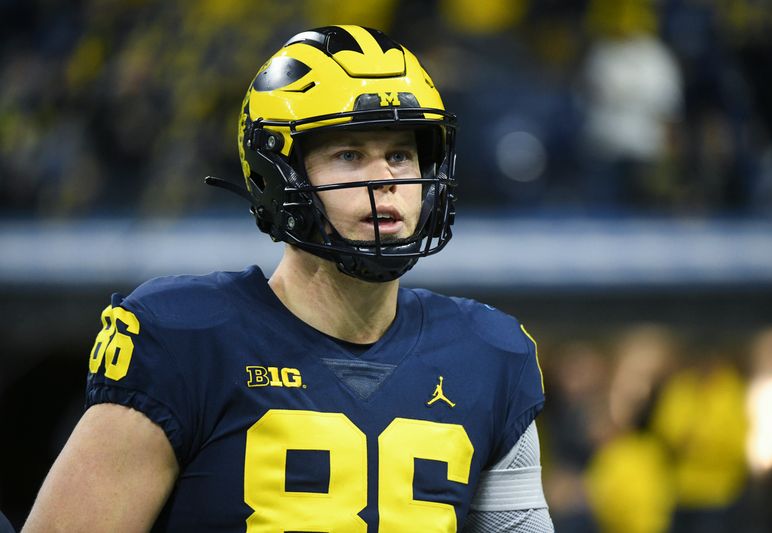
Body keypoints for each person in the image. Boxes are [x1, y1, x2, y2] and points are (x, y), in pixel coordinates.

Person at [24, 25, 553, 532]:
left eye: (400, 154)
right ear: (278, 177)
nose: (386, 181)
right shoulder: (184, 339)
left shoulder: (488, 353)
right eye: (349, 155)